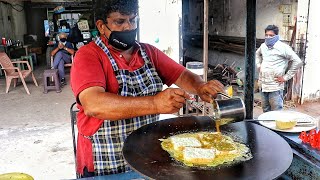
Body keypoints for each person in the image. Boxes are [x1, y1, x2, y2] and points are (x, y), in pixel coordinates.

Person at [70, 0, 224, 177]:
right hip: (104, 157)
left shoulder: (148, 52)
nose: (128, 27)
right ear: (101, 26)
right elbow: (94, 105)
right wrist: (155, 103)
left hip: (143, 150)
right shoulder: (88, 55)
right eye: (120, 22)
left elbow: (181, 75)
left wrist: (200, 86)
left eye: (133, 20)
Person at [256, 25, 302, 112]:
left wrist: (285, 77)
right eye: (266, 35)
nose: (268, 37)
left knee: (276, 111)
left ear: (276, 36)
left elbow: (298, 61)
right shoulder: (263, 46)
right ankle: (266, 125)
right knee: (265, 109)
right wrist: (258, 65)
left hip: (275, 85)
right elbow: (257, 54)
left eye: (271, 35)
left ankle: (275, 126)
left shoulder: (283, 47)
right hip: (263, 84)